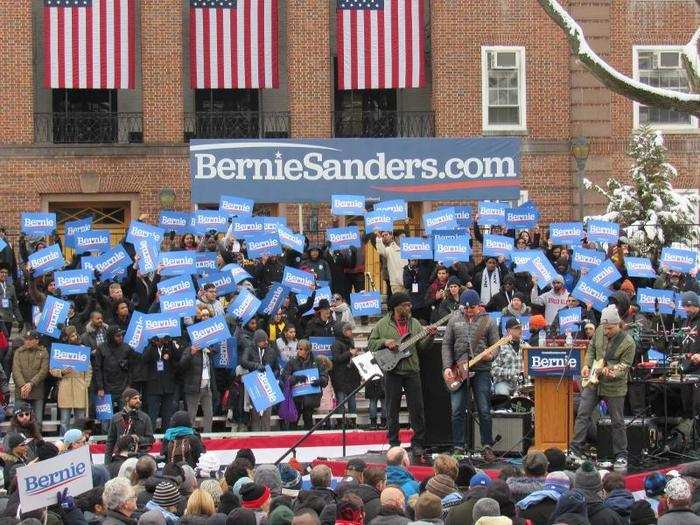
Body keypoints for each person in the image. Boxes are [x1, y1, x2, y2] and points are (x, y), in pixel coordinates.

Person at [367, 292, 436, 456]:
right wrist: (385, 342)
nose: (409, 307)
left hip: (412, 371)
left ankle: (417, 443)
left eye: (409, 305)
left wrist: (431, 337)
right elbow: (371, 343)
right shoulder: (383, 324)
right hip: (392, 371)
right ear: (397, 307)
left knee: (417, 409)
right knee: (392, 409)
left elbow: (422, 348)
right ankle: (393, 443)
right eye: (406, 305)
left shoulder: (415, 324)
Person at [569, 305, 635, 471]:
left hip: (614, 385)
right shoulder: (599, 330)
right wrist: (586, 365)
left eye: (610, 328)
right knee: (583, 413)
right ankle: (575, 449)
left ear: (618, 324)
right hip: (593, 380)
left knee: (617, 420)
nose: (606, 331)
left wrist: (610, 370)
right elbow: (591, 349)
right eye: (604, 328)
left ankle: (621, 454)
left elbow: (625, 366)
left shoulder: (628, 343)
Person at [441, 290, 499, 460]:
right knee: (457, 410)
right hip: (458, 369)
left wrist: (492, 355)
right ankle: (458, 446)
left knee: (484, 409)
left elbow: (496, 345)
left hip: (481, 369)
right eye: (465, 309)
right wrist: (446, 367)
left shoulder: (489, 321)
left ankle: (487, 446)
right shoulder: (454, 319)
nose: (468, 311)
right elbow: (446, 344)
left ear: (478, 305)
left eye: (472, 308)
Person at [51, 326, 92, 434]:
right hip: (65, 385)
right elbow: (52, 369)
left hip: (80, 385)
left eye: (75, 334)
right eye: (72, 335)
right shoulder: (60, 350)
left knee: (80, 419)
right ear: (66, 338)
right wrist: (62, 372)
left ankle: (78, 441)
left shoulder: (83, 349)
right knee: (64, 420)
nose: (76, 337)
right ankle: (64, 444)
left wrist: (85, 384)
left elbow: (89, 369)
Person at [283, 339, 329, 430]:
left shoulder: (318, 362)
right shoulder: (292, 362)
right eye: (298, 349)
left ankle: (309, 442)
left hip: (311, 398)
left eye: (301, 349)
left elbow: (325, 378)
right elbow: (285, 377)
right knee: (293, 422)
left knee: (308, 420)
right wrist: (295, 378)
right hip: (296, 399)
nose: (298, 351)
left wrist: (319, 381)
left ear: (307, 351)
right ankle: (292, 442)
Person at [241, 330, 280, 431]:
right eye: (263, 341)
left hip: (268, 383)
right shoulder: (249, 349)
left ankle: (266, 434)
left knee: (267, 412)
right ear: (257, 341)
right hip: (255, 383)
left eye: (266, 340)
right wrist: (256, 365)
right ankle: (255, 435)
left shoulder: (271, 351)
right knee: (255, 412)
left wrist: (274, 376)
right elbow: (243, 362)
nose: (266, 342)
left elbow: (277, 367)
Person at [105, 388, 155, 464]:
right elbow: (110, 442)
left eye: (139, 398)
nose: (138, 401)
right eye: (135, 398)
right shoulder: (116, 418)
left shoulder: (145, 417)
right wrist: (107, 463)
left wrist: (137, 439)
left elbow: (151, 439)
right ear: (127, 400)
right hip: (120, 457)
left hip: (140, 457)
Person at [143, 335, 182, 432]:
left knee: (168, 415)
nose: (161, 340)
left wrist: (171, 343)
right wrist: (152, 344)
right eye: (159, 338)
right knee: (152, 415)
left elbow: (179, 356)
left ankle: (167, 436)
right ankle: (150, 436)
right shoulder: (150, 347)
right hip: (154, 387)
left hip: (168, 386)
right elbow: (144, 358)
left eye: (162, 338)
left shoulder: (169, 345)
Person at [12, 330, 49, 424]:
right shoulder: (18, 352)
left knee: (37, 422)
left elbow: (43, 371)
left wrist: (31, 384)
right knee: (19, 422)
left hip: (37, 391)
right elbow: (16, 370)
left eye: (30, 339)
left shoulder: (43, 352)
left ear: (37, 341)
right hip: (21, 391)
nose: (27, 341)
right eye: (26, 339)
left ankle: (36, 438)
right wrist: (23, 386)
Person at [180, 341, 217, 434]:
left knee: (209, 414)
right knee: (191, 415)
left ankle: (208, 435)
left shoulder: (207, 351)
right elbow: (181, 365)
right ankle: (190, 436)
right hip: (194, 388)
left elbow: (210, 369)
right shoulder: (189, 350)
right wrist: (191, 354)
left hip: (207, 387)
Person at [330, 322, 362, 420]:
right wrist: (349, 353)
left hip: (351, 375)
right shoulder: (336, 344)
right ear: (342, 331)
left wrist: (354, 355)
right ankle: (341, 422)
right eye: (348, 330)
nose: (350, 332)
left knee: (352, 399)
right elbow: (336, 359)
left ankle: (353, 421)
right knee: (341, 400)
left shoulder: (350, 341)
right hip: (340, 377)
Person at [491, 319, 525, 397]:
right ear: (509, 330)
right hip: (503, 383)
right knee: (502, 393)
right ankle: (502, 408)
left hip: (522, 384)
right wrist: (511, 372)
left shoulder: (525, 345)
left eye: (521, 328)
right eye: (517, 328)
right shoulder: (500, 346)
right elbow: (493, 369)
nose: (520, 330)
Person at [0, 263, 22, 339]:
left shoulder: (11, 287)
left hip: (8, 319)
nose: (4, 274)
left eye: (6, 273)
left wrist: (20, 319)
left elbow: (15, 305)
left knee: (5, 343)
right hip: (0, 320)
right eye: (2, 272)